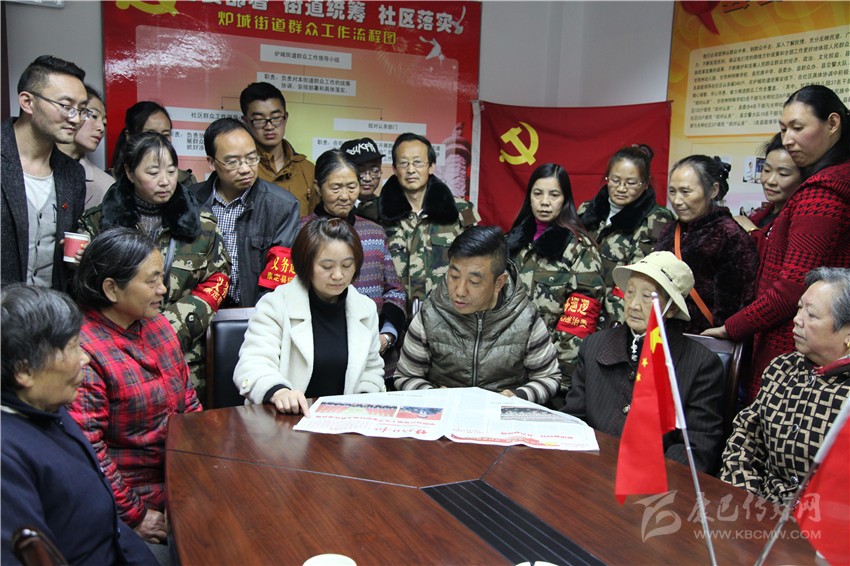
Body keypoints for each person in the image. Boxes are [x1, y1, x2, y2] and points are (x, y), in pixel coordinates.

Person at [704, 85, 850, 403]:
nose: (788, 139)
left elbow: (791, 288)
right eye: (784, 129)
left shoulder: (823, 192)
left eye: (798, 127)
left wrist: (731, 328)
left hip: (795, 346)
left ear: (832, 123)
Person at [1, 284, 156, 565]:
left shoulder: (48, 407)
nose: (84, 358)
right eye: (73, 347)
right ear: (24, 371)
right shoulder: (6, 457)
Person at [68, 228, 202, 550]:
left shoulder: (158, 325)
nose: (163, 289)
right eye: (152, 281)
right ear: (111, 289)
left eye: (162, 278)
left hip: (181, 479)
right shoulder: (83, 352)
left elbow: (188, 401)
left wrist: (205, 466)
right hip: (131, 497)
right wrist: (135, 515)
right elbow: (90, 452)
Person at [79, 131, 231, 396]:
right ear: (129, 172)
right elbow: (87, 290)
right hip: (114, 357)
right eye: (153, 172)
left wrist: (171, 325)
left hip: (181, 353)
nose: (165, 181)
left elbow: (219, 278)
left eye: (171, 172)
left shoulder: (202, 225)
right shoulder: (97, 223)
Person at [561, 252, 724, 473]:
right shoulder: (594, 346)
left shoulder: (700, 364)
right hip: (588, 471)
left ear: (672, 308)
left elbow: (696, 448)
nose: (634, 305)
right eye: (630, 292)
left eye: (648, 296)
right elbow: (574, 420)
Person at [721, 267, 850, 503]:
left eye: (811, 315)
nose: (796, 319)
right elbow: (744, 442)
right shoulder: (783, 368)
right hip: (759, 507)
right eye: (799, 308)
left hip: (821, 518)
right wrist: (743, 501)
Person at [394, 226, 561, 406]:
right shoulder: (431, 313)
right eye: (454, 276)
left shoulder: (525, 318)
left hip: (502, 414)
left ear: (499, 283)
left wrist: (517, 397)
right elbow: (406, 375)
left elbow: (548, 378)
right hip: (444, 412)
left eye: (474, 282)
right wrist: (433, 396)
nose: (460, 291)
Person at [234, 218, 385, 414]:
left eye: (347, 265)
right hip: (283, 418)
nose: (338, 275)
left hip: (344, 421)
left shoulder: (365, 309)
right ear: (306, 264)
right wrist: (279, 392)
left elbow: (371, 370)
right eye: (327, 266)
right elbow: (253, 363)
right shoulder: (276, 305)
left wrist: (362, 403)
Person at [301, 149, 407, 382]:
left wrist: (386, 336)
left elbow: (395, 291)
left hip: (375, 359)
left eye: (351, 186)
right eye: (335, 187)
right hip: (319, 359)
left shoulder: (374, 232)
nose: (345, 196)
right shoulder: (301, 233)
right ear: (318, 187)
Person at [506, 163, 605, 389]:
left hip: (550, 369)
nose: (544, 202)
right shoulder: (511, 243)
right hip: (506, 366)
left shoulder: (580, 249)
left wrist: (558, 377)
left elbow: (579, 322)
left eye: (554, 195)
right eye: (537, 193)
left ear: (565, 200)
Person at [191, 118, 300, 307]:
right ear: (212, 162)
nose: (245, 169)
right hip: (197, 312)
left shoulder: (282, 206)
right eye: (233, 162)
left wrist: (258, 316)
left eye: (251, 158)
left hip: (255, 313)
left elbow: (278, 277)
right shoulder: (189, 201)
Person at [1, 55, 88, 291]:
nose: (76, 119)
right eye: (66, 106)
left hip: (50, 307)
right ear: (27, 102)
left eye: (82, 110)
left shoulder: (72, 174)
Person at [368, 132, 478, 316]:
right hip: (390, 319)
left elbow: (477, 263)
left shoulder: (461, 211)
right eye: (404, 163)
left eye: (418, 162)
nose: (411, 169)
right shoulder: (373, 214)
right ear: (394, 168)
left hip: (446, 318)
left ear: (431, 166)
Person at [655, 155, 759, 334]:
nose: (677, 201)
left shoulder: (730, 236)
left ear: (713, 191)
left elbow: (736, 304)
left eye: (686, 192)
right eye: (672, 191)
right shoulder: (669, 230)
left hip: (702, 340)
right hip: (662, 335)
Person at [577, 144, 676, 326]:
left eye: (630, 183)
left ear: (645, 183)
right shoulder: (586, 210)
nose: (621, 188)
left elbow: (639, 277)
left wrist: (612, 325)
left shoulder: (656, 219)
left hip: (619, 316)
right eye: (615, 180)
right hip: (579, 309)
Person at [240, 82, 315, 217]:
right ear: (246, 121)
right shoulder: (240, 169)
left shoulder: (308, 170)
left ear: (285, 117)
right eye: (259, 119)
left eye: (275, 118)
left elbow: (316, 224)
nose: (269, 126)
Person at [733, 133, 803, 259]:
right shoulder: (760, 215)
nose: (770, 181)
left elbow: (777, 261)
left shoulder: (799, 220)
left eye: (783, 174)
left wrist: (751, 230)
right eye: (766, 170)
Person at [110, 100, 197, 186]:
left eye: (165, 135)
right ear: (129, 136)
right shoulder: (109, 181)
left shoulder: (186, 181)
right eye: (150, 134)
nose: (159, 141)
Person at [56, 84, 114, 209]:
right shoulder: (32, 166)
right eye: (94, 116)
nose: (101, 128)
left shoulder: (106, 185)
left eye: (104, 123)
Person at [340, 137, 385, 213]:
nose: (367, 178)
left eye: (374, 170)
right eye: (360, 171)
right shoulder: (336, 209)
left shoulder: (386, 209)